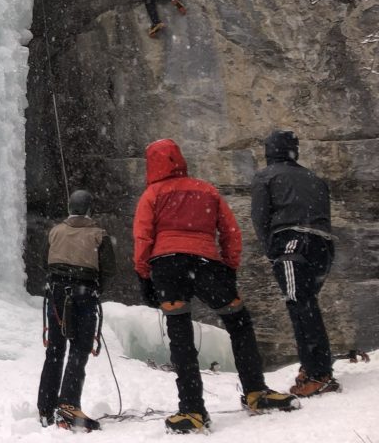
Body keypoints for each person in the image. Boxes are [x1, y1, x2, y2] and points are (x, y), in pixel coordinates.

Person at [133, 139, 299, 434]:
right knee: (238, 322)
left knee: (180, 336)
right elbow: (231, 230)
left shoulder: (152, 194)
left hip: (167, 265)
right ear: (179, 159)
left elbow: (142, 238)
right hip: (206, 263)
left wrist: (144, 274)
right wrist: (229, 267)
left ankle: (192, 409)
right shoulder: (205, 189)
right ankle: (256, 392)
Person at [251, 129, 340, 397]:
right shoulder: (314, 178)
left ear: (269, 151)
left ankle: (318, 372)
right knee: (307, 304)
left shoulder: (266, 176)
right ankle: (315, 366)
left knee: (300, 307)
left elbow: (260, 217)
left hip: (292, 243)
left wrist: (271, 249)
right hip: (323, 246)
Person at [36, 189, 116, 431]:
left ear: (70, 208)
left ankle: (46, 407)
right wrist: (94, 289)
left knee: (55, 350)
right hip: (84, 294)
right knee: (79, 349)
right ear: (89, 209)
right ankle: (69, 405)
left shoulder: (54, 231)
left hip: (57, 294)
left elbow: (44, 260)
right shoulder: (99, 235)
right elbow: (109, 271)